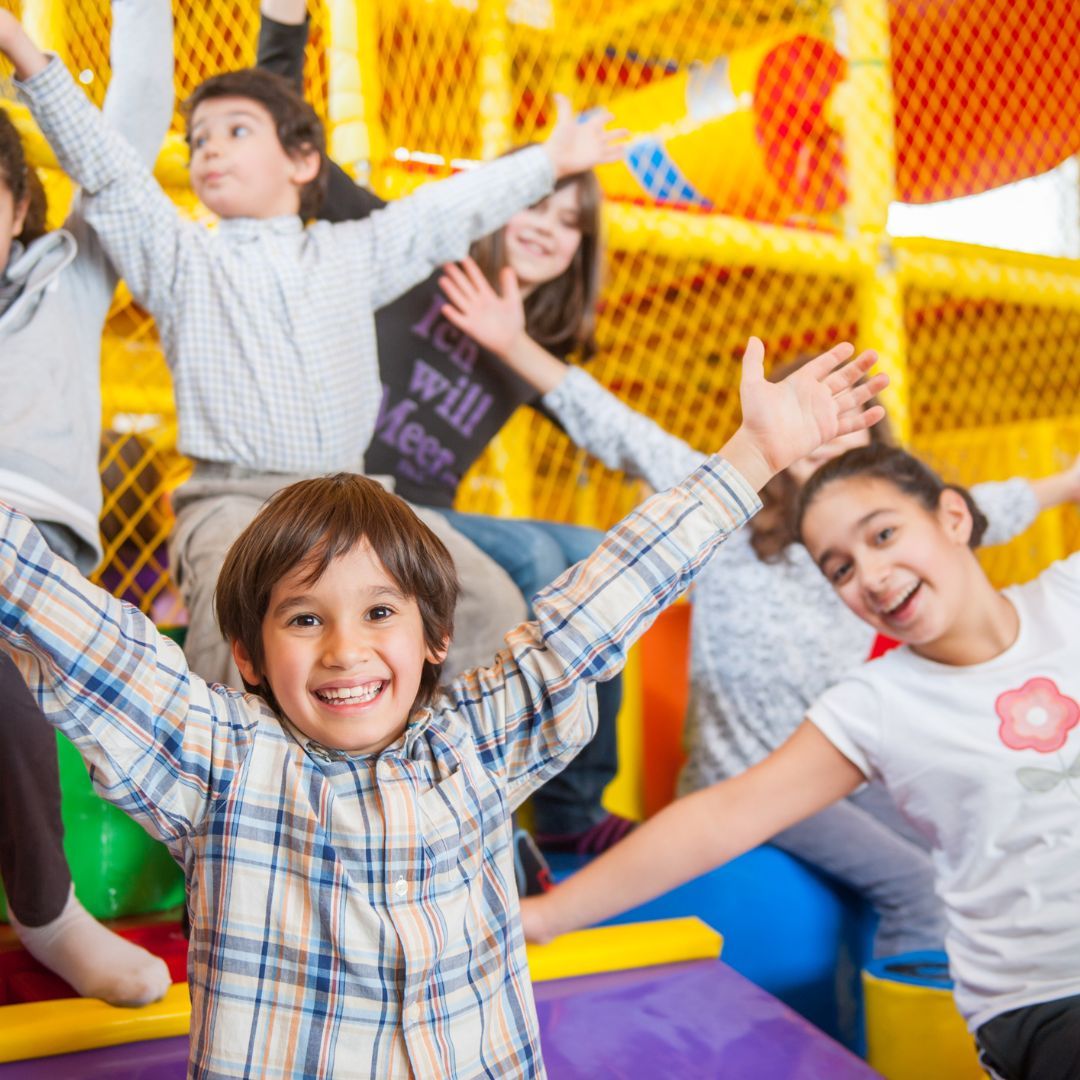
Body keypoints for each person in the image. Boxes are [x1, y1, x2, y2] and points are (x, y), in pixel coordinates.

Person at [0, 339, 885, 1076]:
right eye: (305, 620)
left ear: (433, 639)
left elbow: (605, 599)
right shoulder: (222, 763)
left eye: (380, 613)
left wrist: (753, 458)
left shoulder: (476, 742)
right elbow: (79, 631)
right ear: (248, 657)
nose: (346, 650)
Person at [440, 256, 1080, 956]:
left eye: (846, 420)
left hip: (844, 765)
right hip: (752, 773)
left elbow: (998, 505)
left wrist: (1068, 483)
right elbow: (619, 428)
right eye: (813, 417)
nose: (829, 434)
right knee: (917, 887)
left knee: (951, 849)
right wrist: (511, 343)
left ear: (874, 443)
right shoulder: (730, 521)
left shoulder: (903, 536)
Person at [0, 7, 623, 696]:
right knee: (228, 612)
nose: (207, 149)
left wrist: (548, 164)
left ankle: (429, 775)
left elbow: (446, 212)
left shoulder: (352, 253)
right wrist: (23, 50)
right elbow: (111, 173)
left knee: (489, 608)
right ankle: (222, 780)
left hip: (351, 493)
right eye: (197, 138)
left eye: (235, 132)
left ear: (302, 162)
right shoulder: (182, 257)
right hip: (234, 495)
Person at [520, 443, 1080, 1080]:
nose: (869, 575)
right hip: (1049, 999)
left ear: (954, 518)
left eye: (885, 534)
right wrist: (546, 916)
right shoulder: (877, 704)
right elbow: (724, 815)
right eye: (839, 569)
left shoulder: (1067, 600)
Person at [256, 0, 629, 854]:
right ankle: (485, 802)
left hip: (435, 517)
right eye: (535, 201)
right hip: (357, 496)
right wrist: (284, 23)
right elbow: (295, 159)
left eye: (571, 225)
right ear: (497, 200)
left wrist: (515, 346)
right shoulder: (413, 256)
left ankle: (571, 811)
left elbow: (604, 429)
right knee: (535, 560)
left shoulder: (531, 343)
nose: (545, 227)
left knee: (593, 559)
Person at [0, 0, 174, 1005]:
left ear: (20, 210)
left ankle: (48, 910)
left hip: (38, 561)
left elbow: (136, 123)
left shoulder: (67, 279)